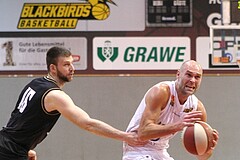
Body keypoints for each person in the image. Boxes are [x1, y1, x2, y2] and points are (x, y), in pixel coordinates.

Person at [0, 46, 145, 160]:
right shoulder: (55, 95)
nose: (72, 69)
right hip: (10, 152)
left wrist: (25, 149)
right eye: (66, 65)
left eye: (72, 64)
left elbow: (18, 120)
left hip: (7, 145)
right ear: (53, 68)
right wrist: (125, 136)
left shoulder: (36, 83)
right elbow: (88, 124)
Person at [123, 60, 219, 160]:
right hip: (137, 150)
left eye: (197, 77)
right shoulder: (161, 92)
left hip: (160, 151)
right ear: (178, 74)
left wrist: (207, 149)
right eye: (189, 75)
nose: (192, 80)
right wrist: (178, 126)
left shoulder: (197, 108)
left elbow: (200, 156)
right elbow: (143, 133)